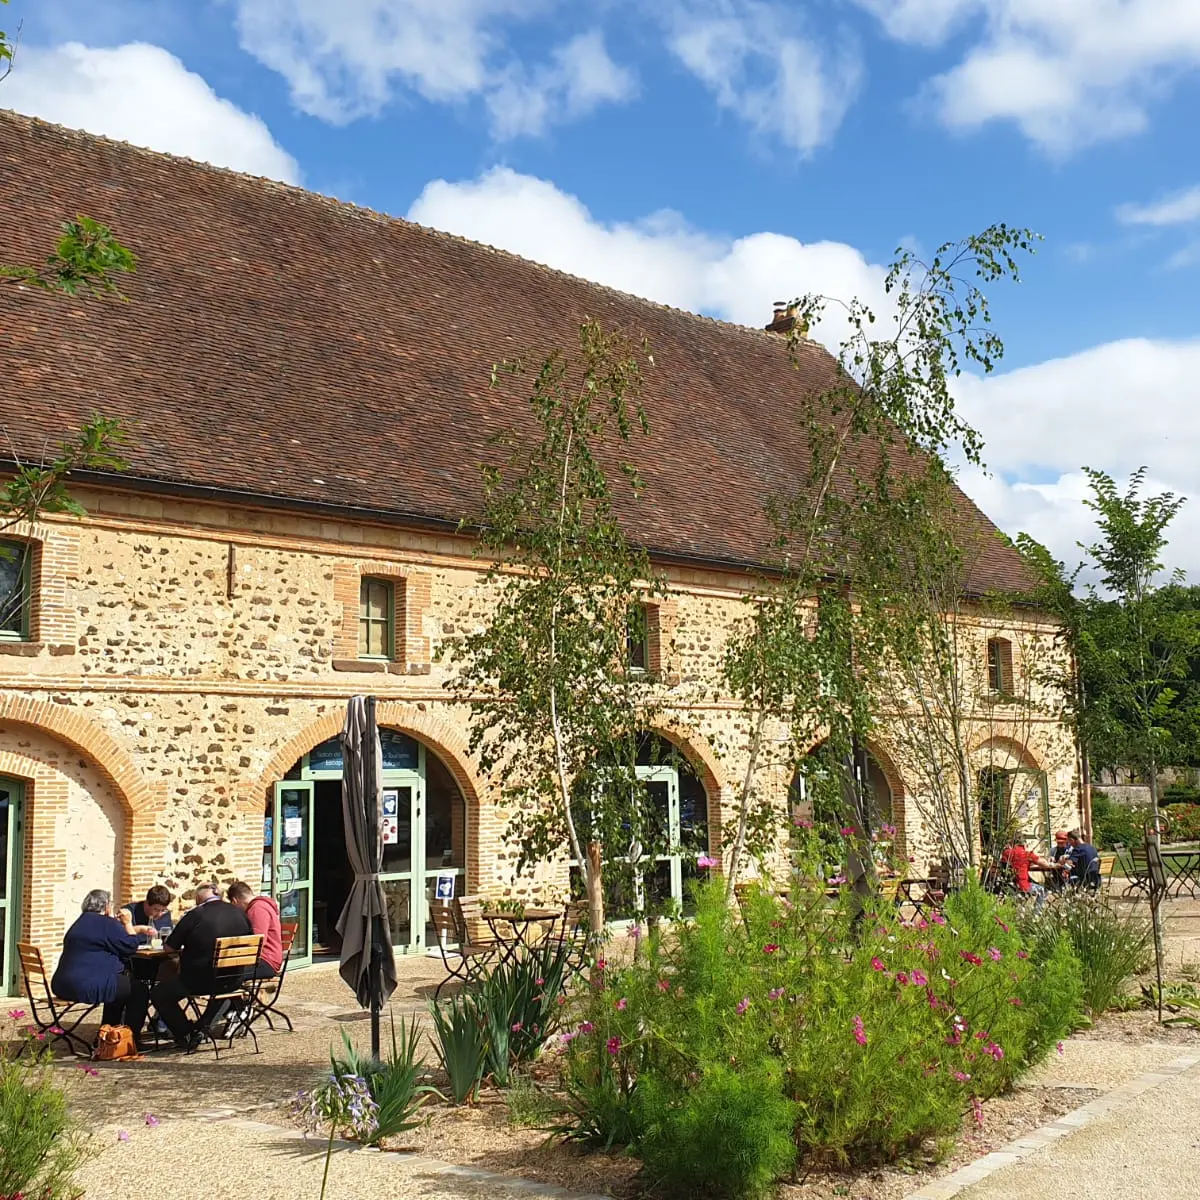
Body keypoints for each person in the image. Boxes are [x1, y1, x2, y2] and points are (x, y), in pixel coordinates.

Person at [151, 881, 251, 1050]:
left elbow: (169, 947)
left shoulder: (196, 914)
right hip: (233, 979)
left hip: (199, 980)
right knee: (222, 990)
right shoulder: (240, 914)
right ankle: (201, 1028)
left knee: (159, 993)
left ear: (198, 898)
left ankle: (186, 1032)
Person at [51, 888, 149, 1033]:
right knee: (139, 990)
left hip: (61, 985)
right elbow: (130, 946)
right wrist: (127, 924)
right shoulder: (107, 923)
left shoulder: (79, 923)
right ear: (107, 907)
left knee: (118, 986)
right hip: (86, 986)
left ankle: (108, 1033)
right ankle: (130, 1038)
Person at [226, 880, 282, 978]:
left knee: (225, 974)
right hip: (267, 959)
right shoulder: (261, 906)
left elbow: (258, 942)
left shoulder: (257, 909)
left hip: (266, 961)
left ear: (235, 901)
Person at [1000, 835, 1052, 911]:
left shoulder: (1006, 853)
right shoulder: (1027, 854)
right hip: (1022, 885)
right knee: (1043, 891)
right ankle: (1036, 914)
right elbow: (1044, 864)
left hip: (1009, 885)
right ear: (1024, 844)